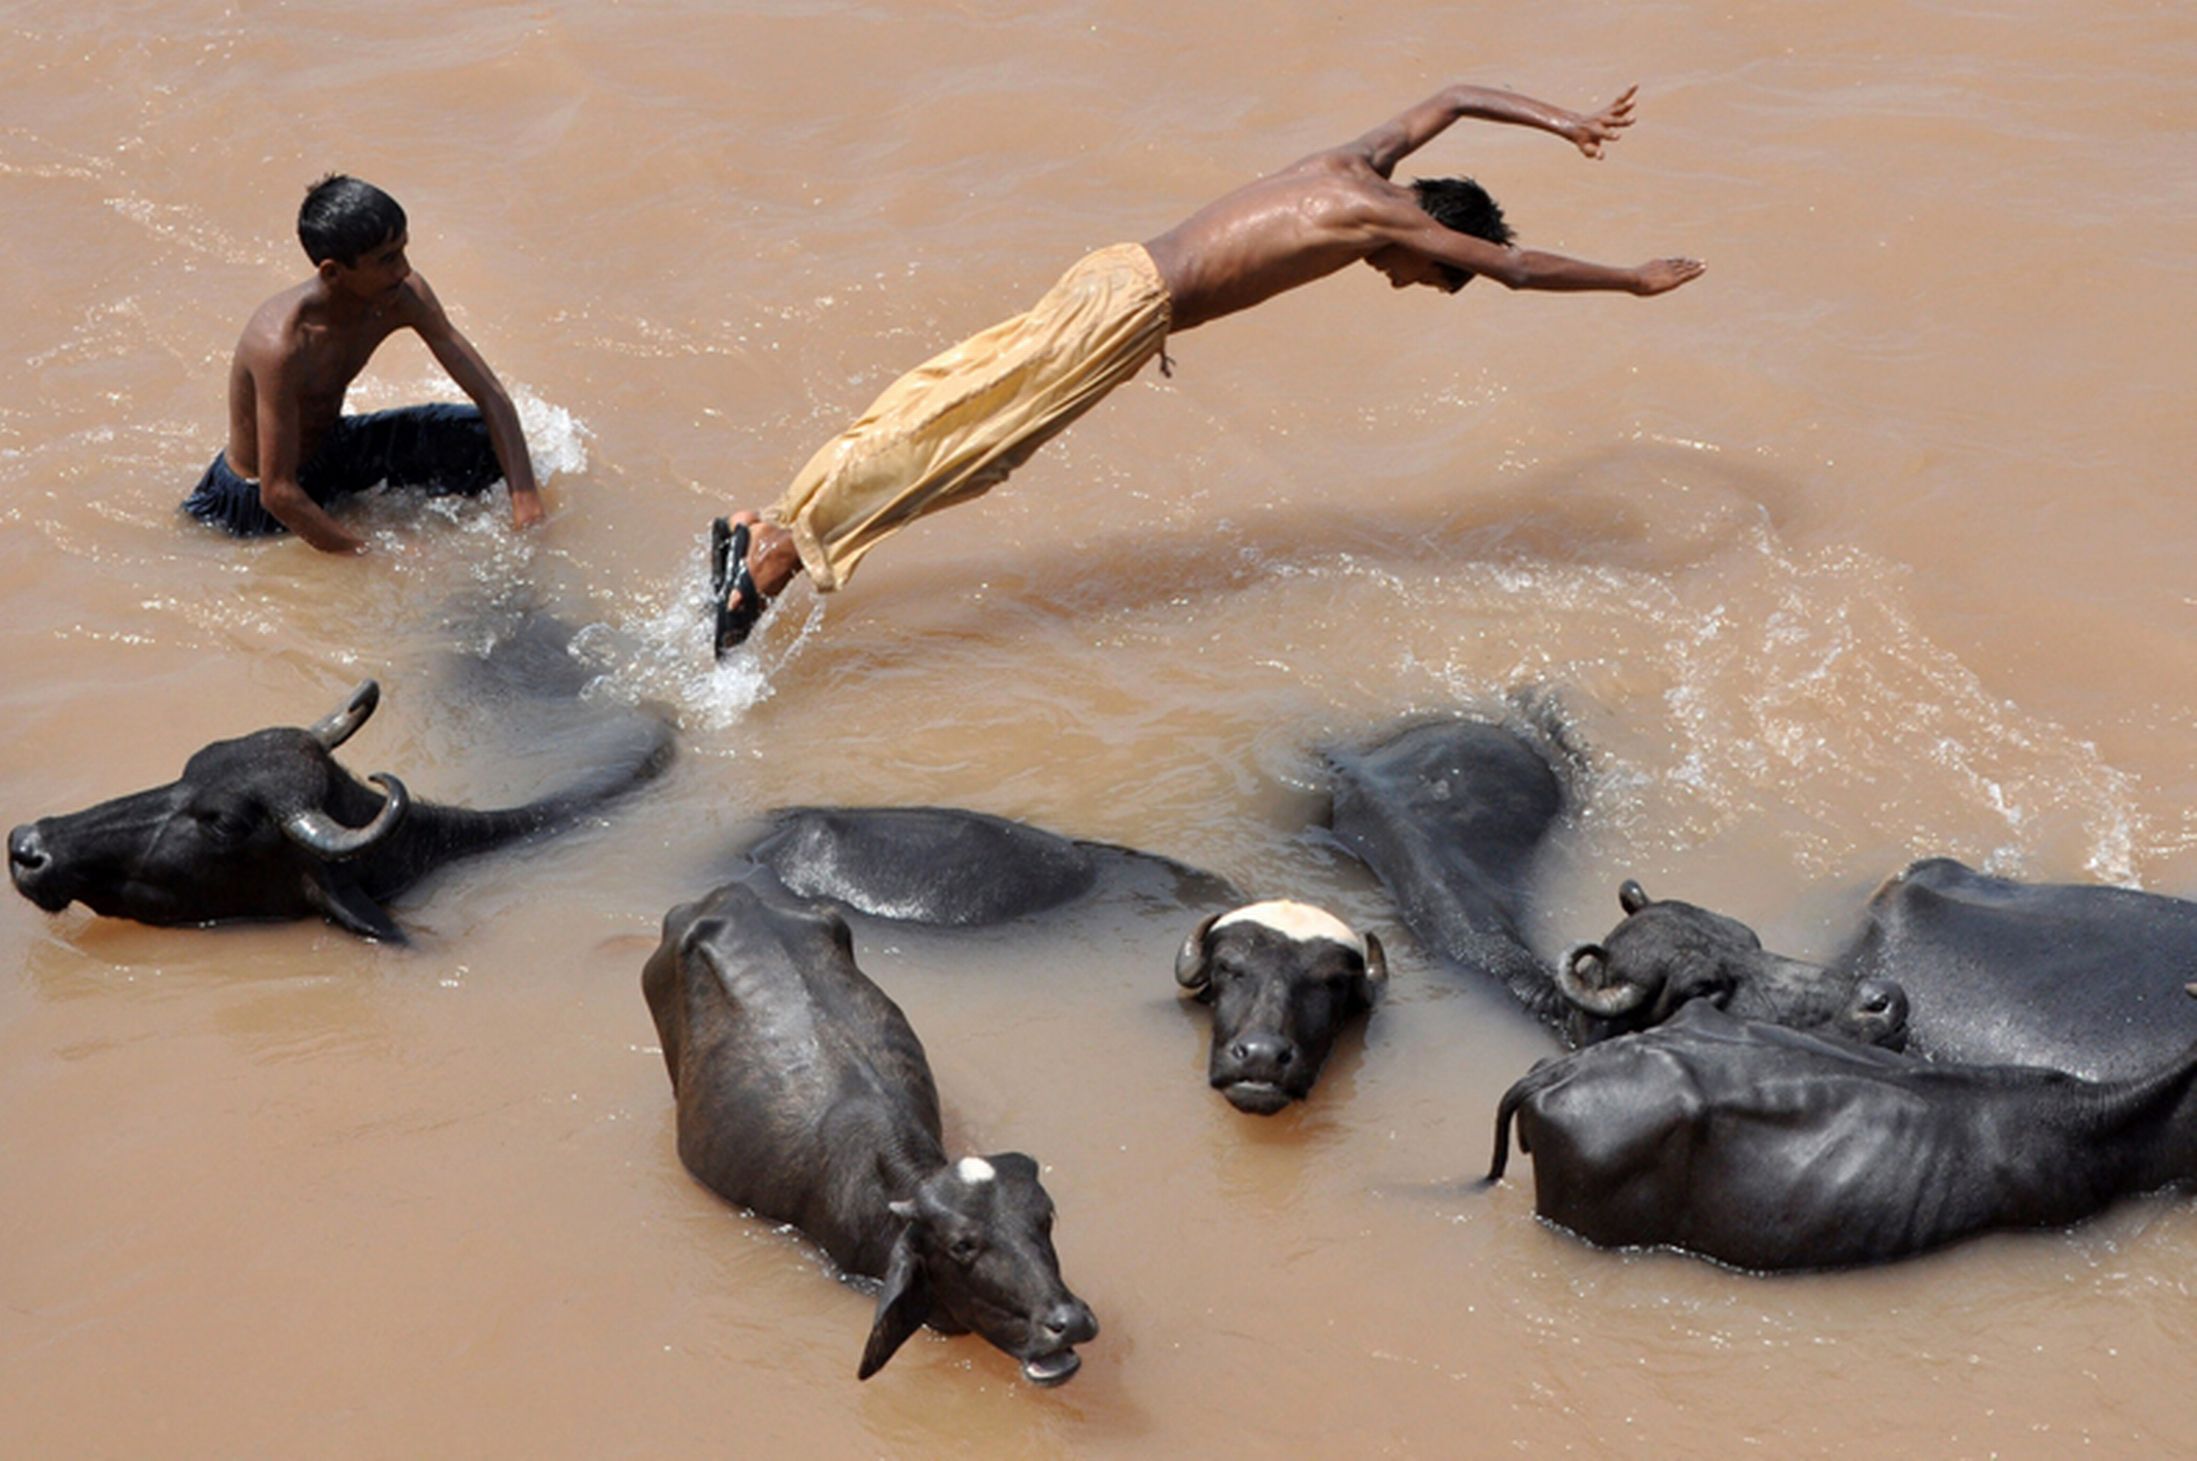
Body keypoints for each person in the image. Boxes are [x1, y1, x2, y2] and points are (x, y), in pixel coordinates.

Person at [708, 81, 1704, 652]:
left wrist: (1563, 120)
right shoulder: (1387, 216)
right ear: (1430, 235)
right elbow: (1520, 270)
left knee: (953, 393)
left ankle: (763, 523)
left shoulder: (1353, 163)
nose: (1401, 284)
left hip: (1116, 271)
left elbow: (1449, 96)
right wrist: (1631, 281)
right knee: (972, 447)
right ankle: (780, 555)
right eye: (1422, 277)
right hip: (1132, 311)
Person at [182, 175, 544, 552]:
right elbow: (278, 493)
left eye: (403, 250)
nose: (404, 270)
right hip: (253, 501)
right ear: (332, 272)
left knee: (480, 440)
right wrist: (373, 553)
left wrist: (526, 500)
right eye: (387, 259)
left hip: (332, 453)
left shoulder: (403, 297)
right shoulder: (281, 346)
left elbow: (491, 394)